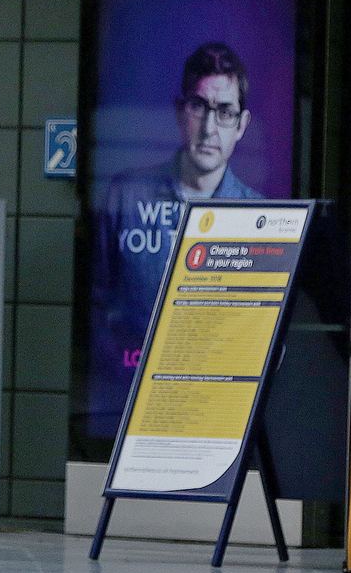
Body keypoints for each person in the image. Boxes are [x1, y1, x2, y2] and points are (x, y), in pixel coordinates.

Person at [89, 42, 262, 437]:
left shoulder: (259, 217)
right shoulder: (125, 196)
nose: (209, 129)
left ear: (242, 124)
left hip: (220, 418)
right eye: (199, 106)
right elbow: (97, 310)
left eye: (225, 112)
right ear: (179, 110)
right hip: (128, 411)